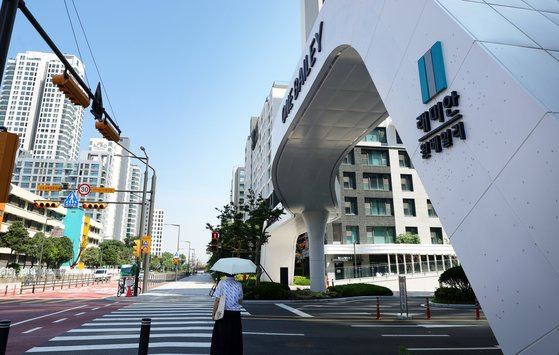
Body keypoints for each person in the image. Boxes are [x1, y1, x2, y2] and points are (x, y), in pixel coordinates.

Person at [211, 273, 244, 355]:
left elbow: (217, 300)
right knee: (235, 337)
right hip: (235, 314)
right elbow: (240, 300)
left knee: (221, 336)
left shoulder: (222, 283)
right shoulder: (239, 284)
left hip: (223, 313)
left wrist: (213, 313)